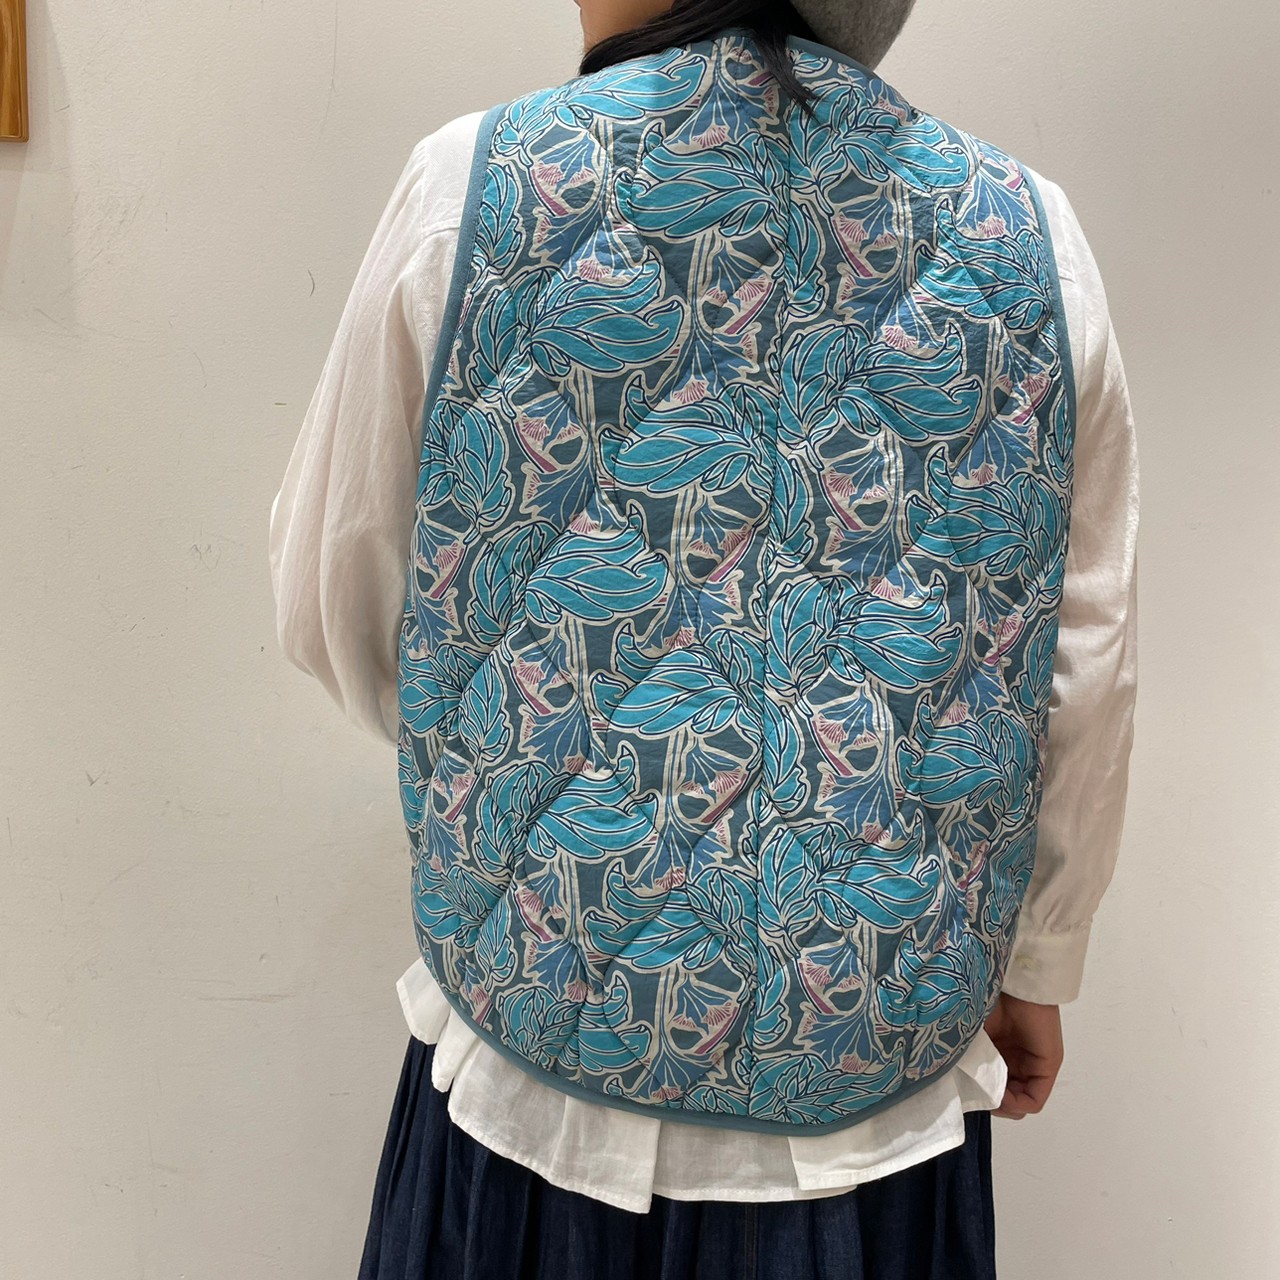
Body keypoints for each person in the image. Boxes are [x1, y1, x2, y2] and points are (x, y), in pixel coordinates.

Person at [268, 1, 1139, 1276]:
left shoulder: (475, 187)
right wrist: (1040, 949)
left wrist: (509, 774)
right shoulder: (1029, 236)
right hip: (873, 1083)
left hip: (539, 1086)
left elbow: (329, 589)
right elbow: (1081, 656)